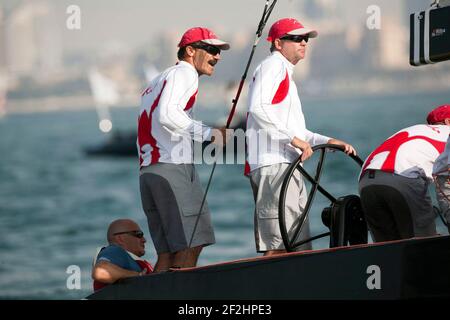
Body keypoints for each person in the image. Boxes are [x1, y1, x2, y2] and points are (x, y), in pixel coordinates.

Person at [245, 18, 356, 256]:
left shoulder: (285, 73)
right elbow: (257, 108)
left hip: (286, 166)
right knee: (278, 246)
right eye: (296, 38)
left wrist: (327, 141)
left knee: (296, 245)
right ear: (277, 43)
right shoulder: (273, 66)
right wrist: (294, 141)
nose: (303, 42)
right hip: (274, 165)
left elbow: (300, 133)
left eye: (305, 39)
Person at [137, 27, 231, 272]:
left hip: (149, 174)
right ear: (190, 51)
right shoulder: (185, 73)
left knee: (167, 254)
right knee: (191, 244)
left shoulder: (158, 79)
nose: (217, 56)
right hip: (172, 169)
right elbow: (167, 115)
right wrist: (210, 134)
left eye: (219, 51)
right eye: (211, 49)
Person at [359, 105, 450, 242]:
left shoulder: (414, 130)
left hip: (366, 181)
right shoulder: (447, 133)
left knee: (385, 248)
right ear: (447, 122)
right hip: (403, 178)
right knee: (424, 241)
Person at [92, 219, 153, 291]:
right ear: (120, 238)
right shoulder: (114, 251)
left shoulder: (130, 260)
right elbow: (101, 271)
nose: (144, 240)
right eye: (138, 234)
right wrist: (137, 276)